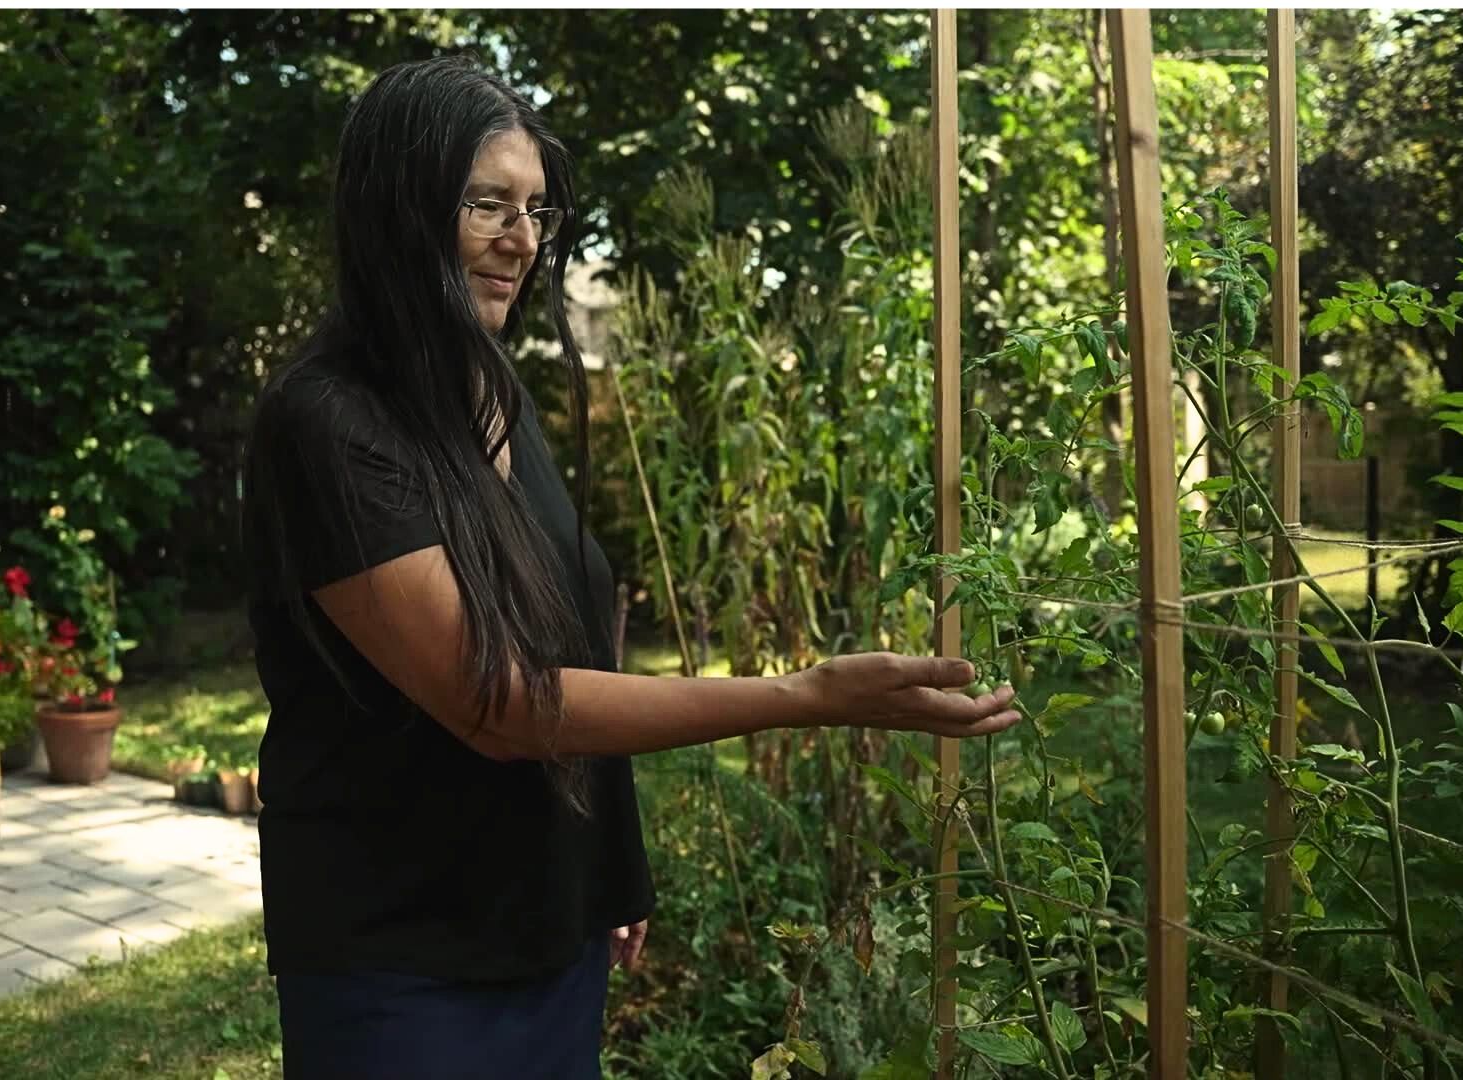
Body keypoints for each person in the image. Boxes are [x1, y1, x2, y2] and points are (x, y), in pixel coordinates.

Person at [238, 55, 1023, 1080]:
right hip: (401, 959)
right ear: (399, 207)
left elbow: (570, 634)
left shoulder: (494, 394)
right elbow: (504, 704)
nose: (522, 241)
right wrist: (807, 694)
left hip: (549, 933)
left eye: (534, 211)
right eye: (487, 205)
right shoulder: (328, 424)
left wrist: (612, 870)